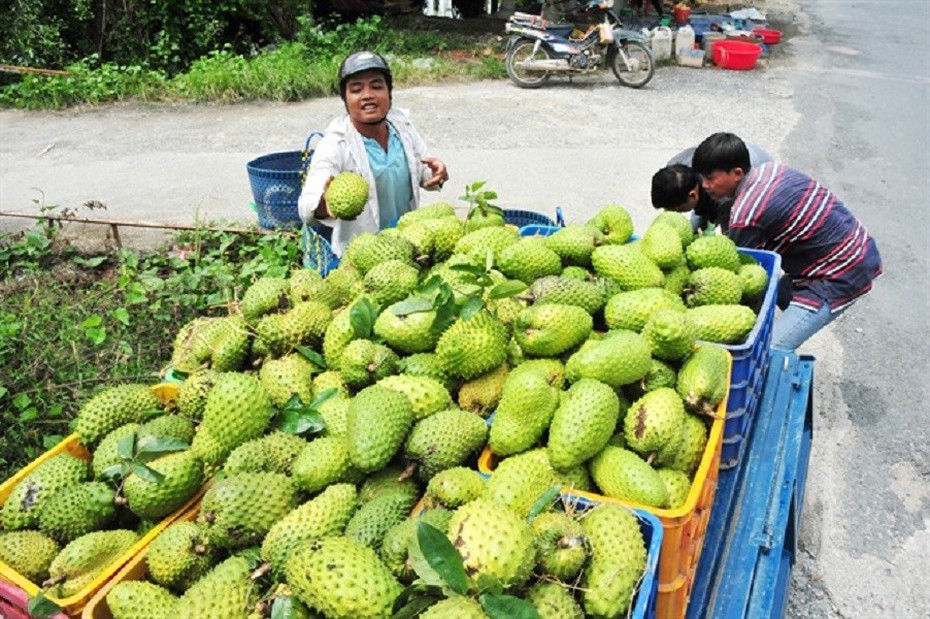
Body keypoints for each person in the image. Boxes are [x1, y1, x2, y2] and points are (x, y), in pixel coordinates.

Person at [689, 132, 883, 351]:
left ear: (737, 173)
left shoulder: (748, 213)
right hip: (859, 245)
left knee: (767, 351)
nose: (704, 185)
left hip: (839, 273)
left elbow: (742, 271)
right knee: (780, 293)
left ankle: (786, 341)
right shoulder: (770, 170)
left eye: (710, 178)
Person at [298, 51, 449, 256]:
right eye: (356, 89)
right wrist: (326, 204)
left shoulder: (401, 125)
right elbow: (306, 206)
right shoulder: (335, 143)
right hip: (362, 256)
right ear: (345, 98)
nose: (368, 95)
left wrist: (436, 173)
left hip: (408, 245)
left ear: (389, 92)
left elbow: (422, 169)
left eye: (377, 86)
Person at [651, 142, 773, 233]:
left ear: (693, 195)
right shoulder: (674, 168)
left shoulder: (725, 197)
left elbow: (732, 239)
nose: (672, 214)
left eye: (678, 209)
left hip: (761, 171)